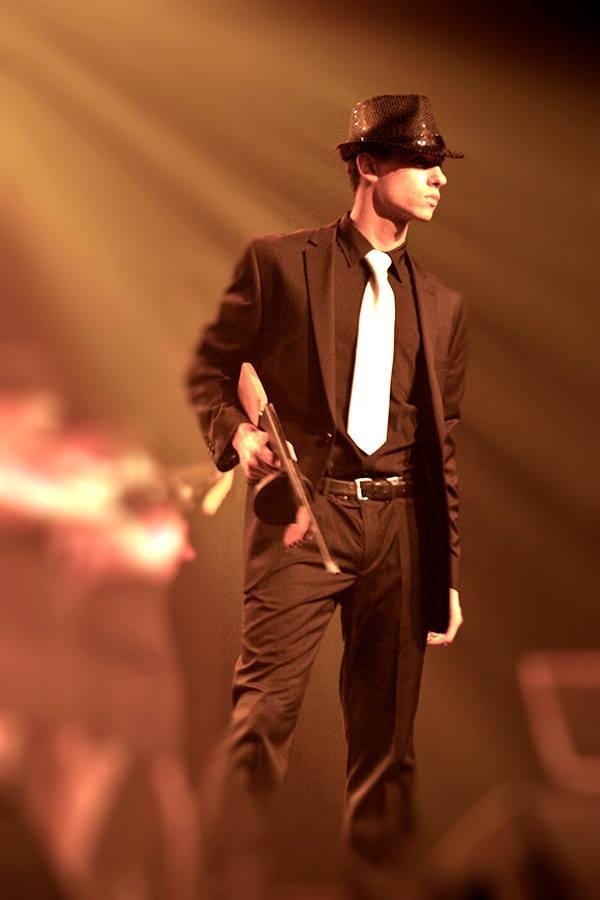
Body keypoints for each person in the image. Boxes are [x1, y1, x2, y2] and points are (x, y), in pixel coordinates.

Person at [185, 93, 468, 899]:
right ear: (367, 165)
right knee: (261, 720)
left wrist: (446, 569)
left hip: (401, 529)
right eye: (421, 162)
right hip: (303, 519)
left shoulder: (442, 306)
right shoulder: (279, 265)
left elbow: (441, 448)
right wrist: (237, 438)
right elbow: (212, 371)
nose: (439, 178)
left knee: (388, 748)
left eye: (441, 165)